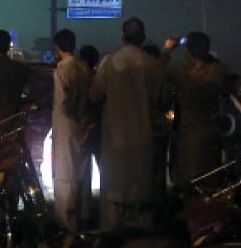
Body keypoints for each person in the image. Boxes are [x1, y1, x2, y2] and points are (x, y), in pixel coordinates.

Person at [89, 17, 167, 230]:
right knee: (143, 203)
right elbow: (163, 102)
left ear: (122, 37)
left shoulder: (110, 63)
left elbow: (95, 96)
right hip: (145, 142)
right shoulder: (155, 66)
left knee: (113, 202)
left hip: (115, 143)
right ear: (143, 38)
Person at [162, 32, 225, 188]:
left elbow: (156, 70)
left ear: (188, 53)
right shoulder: (218, 72)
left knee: (188, 186)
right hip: (212, 134)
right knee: (210, 184)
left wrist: (168, 50)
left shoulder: (180, 74)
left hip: (188, 136)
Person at [51, 29, 94, 231]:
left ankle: (67, 219)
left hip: (66, 127)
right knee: (83, 170)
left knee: (65, 173)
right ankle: (85, 214)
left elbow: (63, 104)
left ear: (58, 47)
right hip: (84, 124)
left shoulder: (61, 70)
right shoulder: (84, 67)